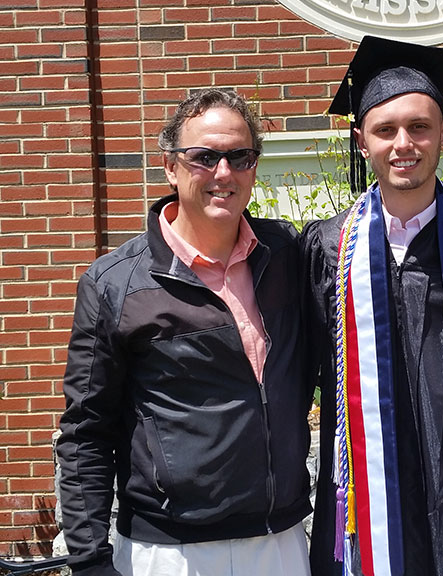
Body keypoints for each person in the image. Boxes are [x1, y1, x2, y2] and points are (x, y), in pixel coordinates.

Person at [56, 88, 314, 576]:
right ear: (170, 167)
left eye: (240, 156)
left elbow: (374, 236)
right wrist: (90, 561)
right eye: (204, 157)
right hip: (170, 553)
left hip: (279, 543)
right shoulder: (116, 284)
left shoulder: (288, 255)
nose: (224, 173)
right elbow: (85, 432)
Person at [303, 36, 443, 576]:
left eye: (420, 126)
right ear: (361, 142)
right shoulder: (326, 247)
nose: (404, 143)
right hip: (367, 489)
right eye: (385, 130)